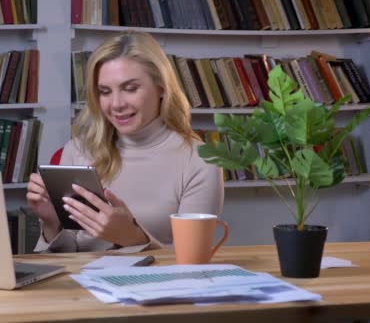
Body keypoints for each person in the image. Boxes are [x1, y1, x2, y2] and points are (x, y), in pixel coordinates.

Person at [26, 30, 224, 253]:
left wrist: (132, 237)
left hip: (157, 288)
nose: (116, 104)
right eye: (105, 92)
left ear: (161, 87)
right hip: (81, 285)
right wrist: (53, 224)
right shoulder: (77, 151)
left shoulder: (199, 160)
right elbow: (64, 261)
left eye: (130, 89)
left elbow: (191, 261)